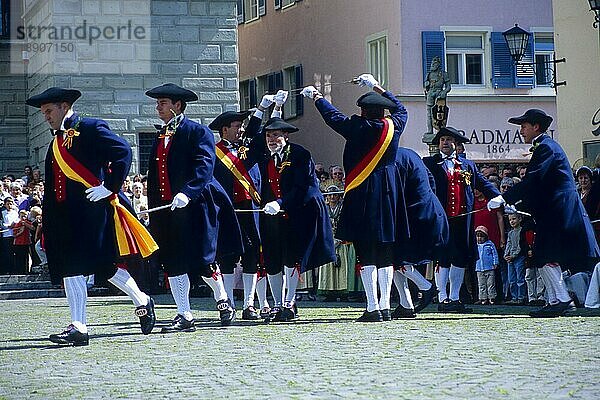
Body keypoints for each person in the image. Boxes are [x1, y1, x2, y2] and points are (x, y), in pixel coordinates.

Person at [26, 87, 159, 346]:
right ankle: (139, 302)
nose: (46, 117)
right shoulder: (55, 142)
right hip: (65, 217)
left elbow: (122, 152)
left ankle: (80, 326)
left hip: (91, 212)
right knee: (92, 268)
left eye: (49, 111)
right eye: (43, 113)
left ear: (64, 106)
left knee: (97, 266)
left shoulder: (90, 127)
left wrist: (110, 186)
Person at [303, 73, 409, 322]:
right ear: (384, 111)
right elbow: (401, 107)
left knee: (366, 253)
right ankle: (384, 306)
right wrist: (376, 86)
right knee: (385, 252)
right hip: (388, 194)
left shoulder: (357, 126)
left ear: (362, 111)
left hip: (363, 194)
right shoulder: (394, 126)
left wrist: (317, 97)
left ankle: (372, 307)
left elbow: (333, 117)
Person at [145, 83, 243, 331]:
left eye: (163, 103)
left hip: (196, 206)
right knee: (174, 261)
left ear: (178, 106)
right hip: (169, 210)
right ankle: (184, 314)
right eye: (158, 103)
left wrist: (187, 193)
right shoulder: (160, 136)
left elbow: (204, 166)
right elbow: (155, 174)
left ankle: (223, 299)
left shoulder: (197, 132)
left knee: (202, 261)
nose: (158, 107)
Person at [488, 109, 600, 317]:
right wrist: (519, 205)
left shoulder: (546, 148)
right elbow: (538, 185)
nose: (521, 130)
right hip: (554, 209)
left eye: (524, 126)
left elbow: (533, 181)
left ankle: (562, 300)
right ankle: (557, 299)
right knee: (543, 255)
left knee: (546, 254)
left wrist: (504, 198)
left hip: (559, 210)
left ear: (535, 127)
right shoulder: (545, 147)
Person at [242, 93, 335, 322]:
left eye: (275, 135)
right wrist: (262, 108)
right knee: (272, 260)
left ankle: (289, 302)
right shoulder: (263, 154)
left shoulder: (301, 155)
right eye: (268, 136)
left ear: (286, 135)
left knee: (290, 259)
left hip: (294, 214)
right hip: (269, 216)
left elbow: (303, 188)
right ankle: (276, 304)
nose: (271, 140)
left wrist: (280, 203)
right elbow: (249, 140)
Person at [209, 97, 281, 319]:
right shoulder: (214, 153)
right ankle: (228, 303)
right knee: (227, 257)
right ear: (224, 129)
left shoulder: (247, 148)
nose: (240, 130)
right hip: (228, 212)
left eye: (241, 126)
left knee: (252, 255)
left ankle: (249, 304)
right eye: (236, 126)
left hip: (250, 209)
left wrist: (268, 109)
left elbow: (257, 133)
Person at [423, 126, 500, 312]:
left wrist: (498, 197)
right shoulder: (429, 163)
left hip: (461, 220)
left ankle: (455, 298)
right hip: (440, 219)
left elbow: (483, 183)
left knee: (459, 257)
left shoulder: (467, 165)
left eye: (449, 140)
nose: (445, 143)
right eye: (442, 140)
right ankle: (442, 298)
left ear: (456, 144)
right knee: (442, 258)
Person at [391, 146, 449, 318]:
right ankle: (405, 304)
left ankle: (425, 286)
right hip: (430, 209)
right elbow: (430, 181)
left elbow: (395, 191)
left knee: (394, 258)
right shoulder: (411, 153)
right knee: (396, 258)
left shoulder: (392, 159)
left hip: (416, 215)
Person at [424, 56, 451, 135]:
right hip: (430, 93)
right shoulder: (428, 74)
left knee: (440, 112)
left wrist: (444, 92)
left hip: (439, 93)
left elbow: (448, 86)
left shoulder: (443, 74)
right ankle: (430, 130)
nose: (432, 65)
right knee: (429, 113)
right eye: (432, 63)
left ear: (438, 65)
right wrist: (426, 85)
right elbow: (425, 86)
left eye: (434, 64)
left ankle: (440, 130)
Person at [474, 226, 498, 305]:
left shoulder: (490, 244)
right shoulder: (475, 245)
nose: (479, 238)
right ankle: (483, 298)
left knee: (490, 283)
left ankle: (492, 297)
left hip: (489, 267)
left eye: (481, 236)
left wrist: (495, 263)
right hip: (479, 268)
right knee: (481, 284)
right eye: (478, 236)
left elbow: (494, 254)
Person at [11, 209, 34, 274]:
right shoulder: (17, 223)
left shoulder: (27, 222)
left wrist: (25, 224)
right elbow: (14, 234)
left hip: (26, 242)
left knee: (26, 258)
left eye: (25, 216)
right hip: (18, 243)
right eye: (22, 216)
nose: (23, 218)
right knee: (19, 258)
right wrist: (21, 230)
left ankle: (25, 271)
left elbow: (32, 228)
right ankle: (19, 271)